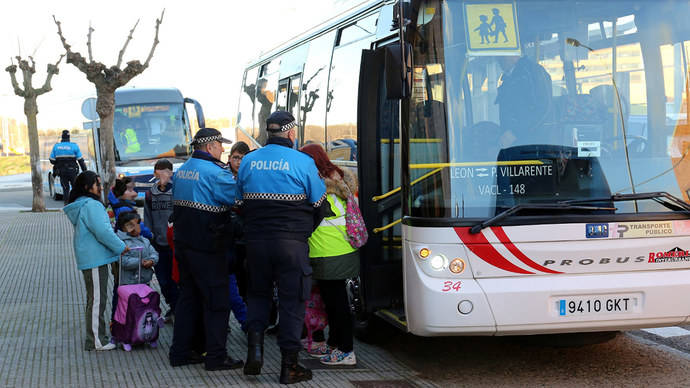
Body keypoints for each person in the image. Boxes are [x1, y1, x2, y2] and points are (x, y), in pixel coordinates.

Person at [236, 111, 327, 384]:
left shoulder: (248, 161)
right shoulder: (303, 161)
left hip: (256, 244)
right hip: (291, 244)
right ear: (290, 133)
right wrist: (303, 232)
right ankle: (290, 367)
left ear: (268, 133)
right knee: (292, 302)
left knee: (258, 296)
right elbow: (319, 203)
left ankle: (255, 353)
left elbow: (239, 203)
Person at [169, 127, 243, 371]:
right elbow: (237, 201)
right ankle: (216, 357)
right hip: (209, 247)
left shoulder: (182, 171)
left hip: (184, 245)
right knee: (217, 302)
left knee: (188, 299)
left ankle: (180, 353)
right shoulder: (216, 173)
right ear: (210, 146)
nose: (222, 150)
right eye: (220, 145)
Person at [300, 144, 360, 366]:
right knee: (333, 302)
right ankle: (335, 344)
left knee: (337, 304)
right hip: (339, 250)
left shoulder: (318, 186)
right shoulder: (338, 180)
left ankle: (346, 350)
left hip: (329, 252)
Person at [63, 171, 127, 351]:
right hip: (94, 259)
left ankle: (98, 337)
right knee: (97, 300)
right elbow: (103, 232)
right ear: (86, 187)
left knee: (96, 299)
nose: (100, 187)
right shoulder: (91, 205)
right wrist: (121, 247)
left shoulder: (82, 204)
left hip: (92, 258)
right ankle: (96, 341)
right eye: (96, 184)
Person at [144, 159, 179, 322]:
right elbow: (148, 217)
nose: (163, 175)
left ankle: (179, 308)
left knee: (176, 278)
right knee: (163, 280)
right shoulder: (150, 194)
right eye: (159, 172)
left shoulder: (177, 191)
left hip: (176, 243)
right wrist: (150, 238)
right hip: (158, 244)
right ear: (154, 174)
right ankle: (173, 305)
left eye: (166, 171)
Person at [494, 55, 553, 147]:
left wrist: (515, 133)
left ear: (514, 55)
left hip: (533, 145)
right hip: (514, 144)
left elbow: (544, 108)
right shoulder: (508, 77)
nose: (498, 59)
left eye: (502, 56)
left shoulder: (533, 73)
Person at [225, 141, 250, 332]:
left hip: (246, 238)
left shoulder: (251, 176)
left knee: (245, 280)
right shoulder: (223, 176)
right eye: (236, 157)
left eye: (242, 157)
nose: (239, 161)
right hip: (229, 237)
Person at [116, 211, 159, 286]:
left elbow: (154, 253)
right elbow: (123, 261)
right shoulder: (121, 242)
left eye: (137, 224)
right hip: (129, 283)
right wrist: (140, 262)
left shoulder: (145, 240)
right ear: (123, 228)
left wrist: (152, 261)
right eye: (130, 225)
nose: (135, 227)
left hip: (145, 281)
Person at [50, 130, 87, 205]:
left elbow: (52, 160)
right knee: (75, 187)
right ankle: (76, 204)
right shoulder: (74, 146)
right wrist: (85, 171)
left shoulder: (56, 146)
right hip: (73, 171)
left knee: (65, 188)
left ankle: (66, 205)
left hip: (62, 172)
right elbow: (80, 160)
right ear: (69, 137)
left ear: (62, 137)